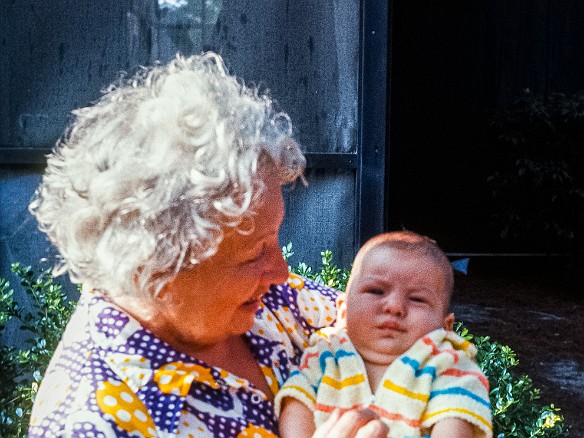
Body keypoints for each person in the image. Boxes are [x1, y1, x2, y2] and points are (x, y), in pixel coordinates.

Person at [27, 52, 389, 437]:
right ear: (155, 270)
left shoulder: (268, 302)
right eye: (253, 253)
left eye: (274, 239)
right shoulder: (95, 421)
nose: (282, 273)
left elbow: (410, 328)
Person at [276, 231, 493, 438]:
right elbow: (295, 405)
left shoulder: (446, 362)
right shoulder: (325, 354)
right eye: (376, 291)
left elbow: (454, 420)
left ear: (445, 327)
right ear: (343, 311)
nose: (394, 306)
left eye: (417, 299)